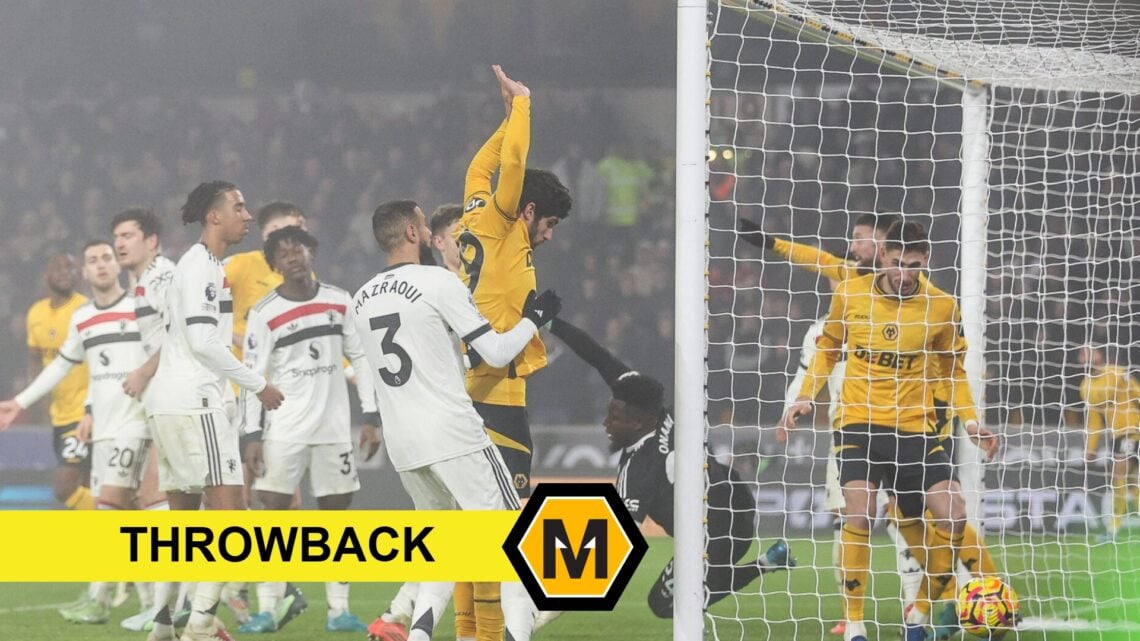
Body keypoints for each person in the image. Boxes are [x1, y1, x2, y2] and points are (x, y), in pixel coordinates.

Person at [743, 212, 998, 638]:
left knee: (948, 515)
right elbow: (826, 346)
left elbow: (953, 370)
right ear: (885, 258)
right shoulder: (850, 291)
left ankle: (928, 605)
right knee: (858, 512)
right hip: (858, 422)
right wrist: (805, 396)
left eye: (915, 267)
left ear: (926, 262)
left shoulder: (941, 307)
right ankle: (856, 622)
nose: (905, 275)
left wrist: (970, 421)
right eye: (898, 264)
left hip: (916, 426)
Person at [353, 199, 559, 641]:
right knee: (514, 545)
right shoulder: (438, 282)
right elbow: (498, 352)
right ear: (411, 232)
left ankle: (416, 632)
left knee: (443, 549)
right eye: (425, 224)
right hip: (454, 434)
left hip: (404, 445)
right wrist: (534, 320)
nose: (429, 231)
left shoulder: (361, 298)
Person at [546, 316, 796, 619]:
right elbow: (598, 355)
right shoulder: (649, 405)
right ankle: (770, 561)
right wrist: (551, 323)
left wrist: (554, 606)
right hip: (735, 502)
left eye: (616, 417)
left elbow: (616, 548)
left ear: (637, 422)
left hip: (715, 533)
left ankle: (763, 565)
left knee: (665, 603)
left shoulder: (640, 469)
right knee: (697, 584)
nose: (607, 423)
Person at [453, 65, 571, 641]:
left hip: (470, 385)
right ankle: (505, 631)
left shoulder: (476, 206)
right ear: (526, 211)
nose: (548, 235)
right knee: (508, 527)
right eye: (547, 223)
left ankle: (470, 632)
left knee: (470, 529)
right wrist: (522, 106)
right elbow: (513, 169)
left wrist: (502, 124)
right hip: (497, 392)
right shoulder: (501, 223)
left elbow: (482, 165)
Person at [144, 180, 284, 641]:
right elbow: (204, 343)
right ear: (214, 217)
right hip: (195, 403)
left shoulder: (192, 265)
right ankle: (201, 626)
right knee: (233, 529)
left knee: (183, 530)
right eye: (239, 207)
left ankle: (163, 625)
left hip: (167, 403)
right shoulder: (202, 266)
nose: (248, 215)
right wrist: (257, 384)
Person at [0, 240, 151, 624]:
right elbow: (64, 365)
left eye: (106, 258)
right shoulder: (83, 318)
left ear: (118, 264)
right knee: (120, 511)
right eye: (93, 261)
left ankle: (115, 597)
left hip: (139, 424)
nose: (100, 265)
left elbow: (160, 355)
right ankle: (139, 600)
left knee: (118, 509)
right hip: (100, 425)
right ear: (87, 271)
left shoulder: (140, 308)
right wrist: (21, 400)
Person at [238, 226, 380, 634]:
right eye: (282, 253)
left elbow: (362, 358)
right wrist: (252, 436)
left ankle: (339, 612)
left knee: (337, 522)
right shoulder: (264, 313)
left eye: (297, 247)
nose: (292, 256)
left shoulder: (339, 301)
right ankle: (267, 609)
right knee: (274, 520)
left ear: (311, 250)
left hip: (333, 430)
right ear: (274, 265)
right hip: (283, 430)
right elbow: (252, 377)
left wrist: (371, 416)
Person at [23, 253, 92, 510]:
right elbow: (34, 357)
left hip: (85, 412)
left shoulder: (85, 309)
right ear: (45, 275)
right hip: (59, 414)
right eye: (60, 268)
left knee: (65, 488)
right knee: (85, 484)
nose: (67, 272)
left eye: (72, 268)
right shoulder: (36, 313)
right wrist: (35, 392)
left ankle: (124, 510)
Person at [1079, 344, 1140, 543]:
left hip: (1132, 429)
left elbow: (1137, 394)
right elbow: (1094, 420)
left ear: (1099, 355)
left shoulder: (1117, 373)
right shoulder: (1086, 387)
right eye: (1081, 353)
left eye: (1089, 351)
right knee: (1131, 480)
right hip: (1117, 434)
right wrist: (1091, 448)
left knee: (1119, 474)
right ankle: (1113, 528)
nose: (1085, 355)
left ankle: (1113, 529)